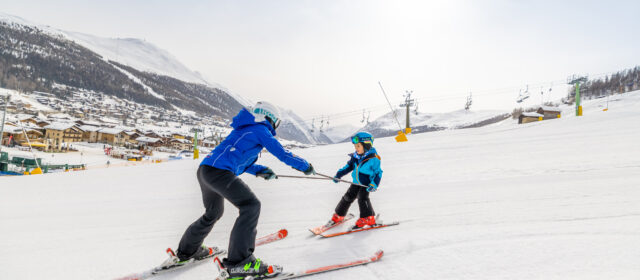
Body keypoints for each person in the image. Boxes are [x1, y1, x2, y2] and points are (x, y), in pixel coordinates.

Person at [175, 101, 315, 279]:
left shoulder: (244, 128)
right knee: (251, 205)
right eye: (276, 123)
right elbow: (283, 153)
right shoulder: (260, 129)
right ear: (269, 118)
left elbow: (238, 160)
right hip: (219, 172)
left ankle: (187, 251)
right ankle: (240, 263)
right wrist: (305, 166)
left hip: (205, 171)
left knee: (213, 212)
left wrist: (260, 170)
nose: (275, 127)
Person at [329, 131, 382, 229]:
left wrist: (374, 184)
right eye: (355, 146)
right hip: (356, 183)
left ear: (366, 145)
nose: (356, 148)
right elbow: (348, 167)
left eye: (358, 146)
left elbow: (378, 173)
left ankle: (368, 217)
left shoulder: (374, 158)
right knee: (347, 197)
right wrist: (339, 175)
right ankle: (339, 215)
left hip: (366, 185)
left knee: (362, 199)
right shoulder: (356, 157)